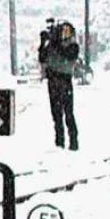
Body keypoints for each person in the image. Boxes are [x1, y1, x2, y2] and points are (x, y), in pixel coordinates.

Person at [38, 20, 80, 150]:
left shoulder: (72, 46)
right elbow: (42, 58)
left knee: (68, 113)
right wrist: (43, 44)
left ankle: (73, 142)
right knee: (56, 115)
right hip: (53, 81)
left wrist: (53, 43)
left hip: (64, 81)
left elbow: (68, 55)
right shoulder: (52, 45)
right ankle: (59, 142)